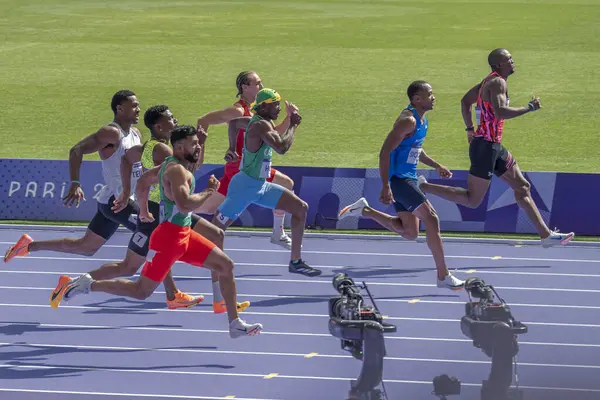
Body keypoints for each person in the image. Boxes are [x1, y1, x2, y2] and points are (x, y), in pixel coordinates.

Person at [53, 125, 263, 339]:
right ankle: (87, 285)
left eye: (198, 143)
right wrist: (209, 191)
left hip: (184, 234)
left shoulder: (169, 165)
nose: (198, 147)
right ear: (180, 146)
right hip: (168, 239)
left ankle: (234, 323)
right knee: (141, 291)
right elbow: (184, 205)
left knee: (226, 265)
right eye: (194, 143)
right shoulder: (176, 171)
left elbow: (143, 183)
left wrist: (143, 210)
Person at [48, 105, 206, 310]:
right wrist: (135, 200)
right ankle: (77, 284)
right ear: (159, 127)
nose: (175, 120)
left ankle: (173, 294)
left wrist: (129, 193)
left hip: (149, 206)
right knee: (133, 267)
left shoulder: (145, 144)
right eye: (171, 118)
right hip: (148, 208)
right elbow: (186, 171)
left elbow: (129, 163)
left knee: (125, 264)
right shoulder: (163, 150)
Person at [417, 48, 574, 248]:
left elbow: (465, 102)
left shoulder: (487, 81)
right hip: (485, 148)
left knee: (522, 186)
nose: (513, 61)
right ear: (499, 64)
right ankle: (423, 186)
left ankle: (546, 236)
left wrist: (469, 129)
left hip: (493, 145)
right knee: (472, 200)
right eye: (509, 59)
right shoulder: (497, 82)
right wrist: (529, 108)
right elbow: (500, 112)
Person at [338, 81, 464, 290]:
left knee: (410, 233)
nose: (434, 97)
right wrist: (385, 184)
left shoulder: (422, 121)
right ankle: (443, 275)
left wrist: (437, 165)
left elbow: (416, 149)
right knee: (431, 218)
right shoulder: (407, 120)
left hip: (410, 177)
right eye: (430, 94)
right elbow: (385, 152)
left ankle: (365, 210)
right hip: (399, 179)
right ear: (416, 99)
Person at [4, 90, 146, 265]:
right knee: (151, 234)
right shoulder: (111, 133)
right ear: (119, 109)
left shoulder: (136, 134)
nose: (138, 109)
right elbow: (76, 150)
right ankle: (166, 289)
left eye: (138, 105)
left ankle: (28, 246)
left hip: (121, 198)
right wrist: (75, 183)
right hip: (115, 200)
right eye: (134, 106)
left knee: (86, 247)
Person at [212, 88, 321, 277]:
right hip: (245, 187)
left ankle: (296, 261)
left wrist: (232, 148)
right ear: (263, 106)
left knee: (300, 208)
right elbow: (281, 147)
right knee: (215, 228)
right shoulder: (261, 126)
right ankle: (181, 252)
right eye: (275, 105)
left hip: (260, 186)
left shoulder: (255, 121)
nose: (278, 108)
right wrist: (293, 125)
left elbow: (234, 123)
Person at [195, 71, 296, 249]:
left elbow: (274, 136)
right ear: (245, 87)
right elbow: (203, 120)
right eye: (257, 83)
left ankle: (173, 210)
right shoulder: (238, 110)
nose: (262, 87)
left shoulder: (259, 113)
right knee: (287, 183)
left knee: (210, 209)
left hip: (244, 169)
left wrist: (290, 118)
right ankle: (278, 233)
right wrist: (199, 153)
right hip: (242, 169)